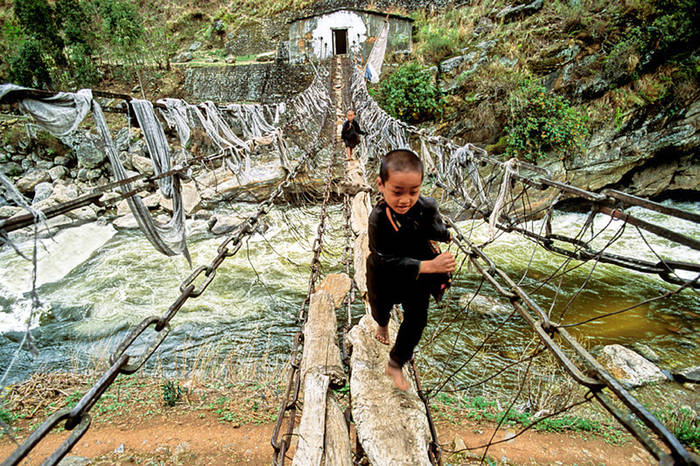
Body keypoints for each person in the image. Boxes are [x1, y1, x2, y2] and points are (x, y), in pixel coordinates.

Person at [366, 149, 456, 391]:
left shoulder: (425, 206)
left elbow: (432, 228)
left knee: (417, 320)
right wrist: (431, 266)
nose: (405, 199)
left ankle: (395, 363)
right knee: (380, 307)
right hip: (385, 275)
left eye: (413, 192)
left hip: (417, 276)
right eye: (397, 192)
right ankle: (382, 323)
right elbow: (384, 259)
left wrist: (446, 235)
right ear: (381, 185)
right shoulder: (378, 219)